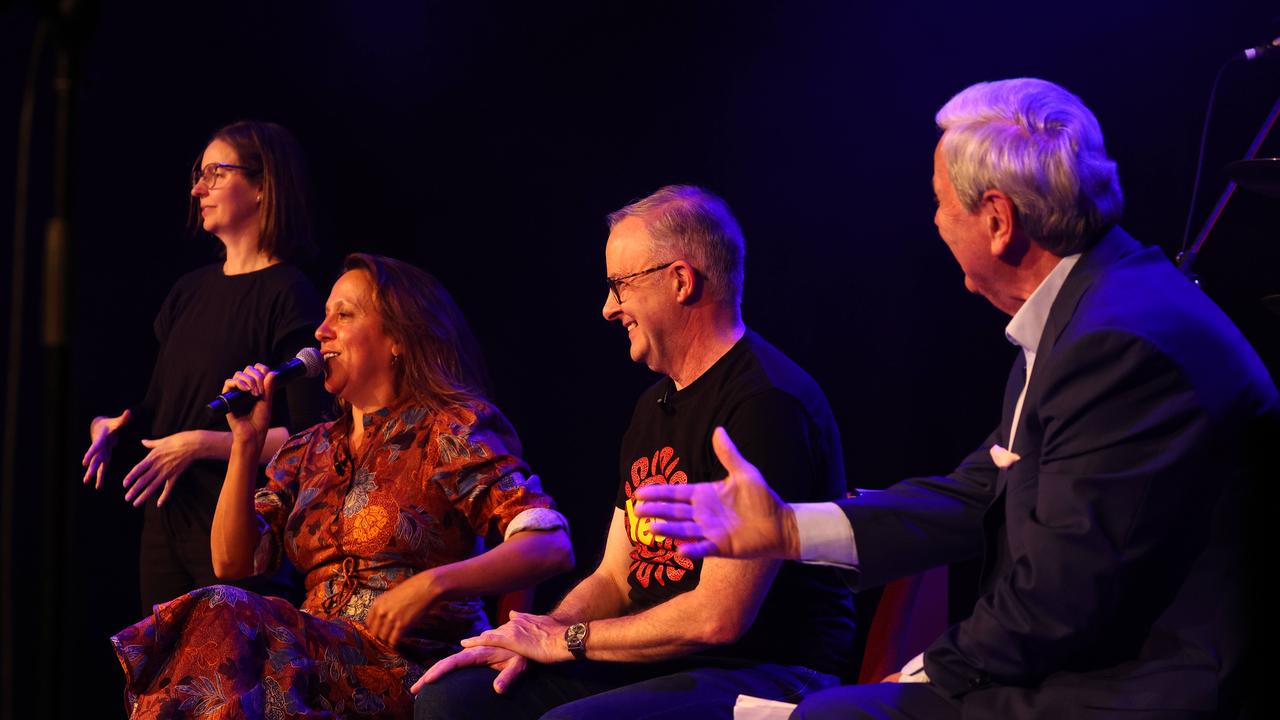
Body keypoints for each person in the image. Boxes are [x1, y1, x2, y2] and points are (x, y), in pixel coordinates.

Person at [636, 78, 1280, 719]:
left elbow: (1053, 603)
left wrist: (917, 678)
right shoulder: (1092, 308)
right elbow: (976, 495)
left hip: (1154, 688)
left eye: (942, 203)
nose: (935, 221)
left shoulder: (1118, 343)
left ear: (997, 221)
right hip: (1102, 662)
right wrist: (785, 528)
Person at [413, 186, 855, 719]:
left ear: (680, 280)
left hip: (766, 670)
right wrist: (542, 629)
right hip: (658, 661)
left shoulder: (766, 403)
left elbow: (719, 617)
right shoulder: (653, 406)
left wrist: (569, 640)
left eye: (619, 285)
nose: (607, 309)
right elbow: (615, 577)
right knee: (454, 702)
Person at [111, 253, 574, 717]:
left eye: (344, 315)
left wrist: (432, 584)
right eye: (326, 314)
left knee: (228, 615)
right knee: (225, 630)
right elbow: (231, 562)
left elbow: (550, 546)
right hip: (313, 663)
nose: (320, 330)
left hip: (409, 665)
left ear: (396, 339)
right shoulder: (306, 449)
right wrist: (245, 444)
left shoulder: (448, 429)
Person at [81, 120, 329, 612]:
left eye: (216, 173)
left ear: (262, 187)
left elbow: (308, 435)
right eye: (200, 173)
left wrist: (199, 445)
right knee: (167, 681)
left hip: (240, 525)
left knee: (234, 680)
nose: (198, 188)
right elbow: (160, 408)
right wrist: (113, 425)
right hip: (166, 520)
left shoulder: (288, 292)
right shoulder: (188, 290)